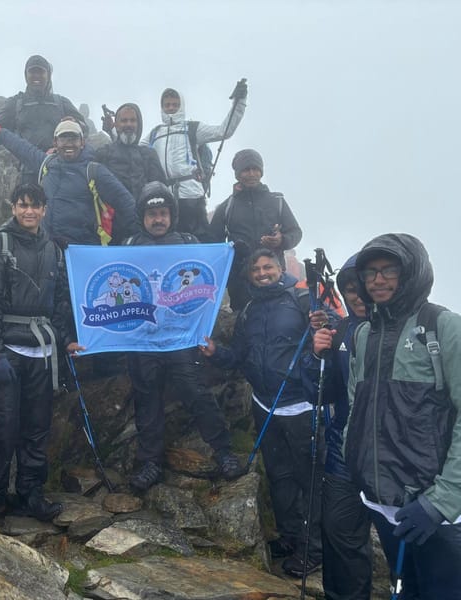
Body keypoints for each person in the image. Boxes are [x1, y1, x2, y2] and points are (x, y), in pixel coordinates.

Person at [344, 233, 461, 600]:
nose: (377, 280)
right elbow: (355, 405)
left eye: (389, 270)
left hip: (434, 512)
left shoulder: (446, 326)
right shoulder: (364, 333)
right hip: (380, 505)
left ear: (412, 272)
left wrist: (441, 502)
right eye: (370, 273)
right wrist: (358, 469)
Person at [200, 249, 336, 578]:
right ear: (249, 275)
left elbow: (336, 330)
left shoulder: (304, 300)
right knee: (280, 477)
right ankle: (291, 538)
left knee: (310, 479)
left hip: (303, 406)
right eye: (256, 269)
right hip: (265, 406)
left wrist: (325, 322)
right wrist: (216, 353)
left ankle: (314, 548)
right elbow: (240, 358)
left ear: (280, 268)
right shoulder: (248, 310)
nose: (262, 273)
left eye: (268, 267)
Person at [0, 182, 82, 543]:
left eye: (36, 205)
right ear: (13, 207)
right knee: (1, 433)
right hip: (8, 355)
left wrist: (65, 341)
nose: (29, 211)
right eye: (22, 205)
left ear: (45, 209)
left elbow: (60, 304)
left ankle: (30, 494)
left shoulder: (53, 250)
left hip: (43, 356)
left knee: (36, 430)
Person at [123, 182, 246, 492]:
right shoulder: (127, 244)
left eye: (163, 212)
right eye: (152, 213)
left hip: (181, 337)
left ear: (172, 215)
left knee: (194, 390)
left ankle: (223, 452)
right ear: (143, 216)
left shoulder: (191, 242)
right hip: (143, 338)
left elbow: (212, 277)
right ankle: (150, 462)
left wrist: (236, 256)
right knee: (146, 398)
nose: (158, 219)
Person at [309, 255, 372, 599]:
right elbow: (322, 393)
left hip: (394, 457)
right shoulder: (342, 330)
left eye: (361, 288)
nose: (358, 296)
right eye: (350, 290)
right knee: (337, 536)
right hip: (342, 453)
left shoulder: (408, 330)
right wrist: (316, 356)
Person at [0, 116, 137, 246]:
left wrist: (138, 239)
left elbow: (127, 204)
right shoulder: (47, 163)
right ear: (55, 143)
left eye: (73, 138)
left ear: (82, 142)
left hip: (82, 251)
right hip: (47, 248)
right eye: (63, 138)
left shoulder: (95, 171)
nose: (68, 143)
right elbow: (22, 148)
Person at [144, 83, 247, 240]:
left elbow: (223, 131)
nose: (171, 108)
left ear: (182, 106)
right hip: (165, 196)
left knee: (198, 239)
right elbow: (134, 148)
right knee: (169, 241)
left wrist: (239, 102)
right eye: (167, 105)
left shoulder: (193, 128)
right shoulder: (154, 133)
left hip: (191, 195)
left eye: (175, 104)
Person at [0, 54, 86, 183]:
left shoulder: (61, 103)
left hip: (60, 169)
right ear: (25, 75)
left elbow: (83, 127)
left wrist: (74, 123)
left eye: (41, 71)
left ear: (48, 75)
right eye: (32, 71)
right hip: (28, 172)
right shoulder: (15, 103)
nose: (36, 75)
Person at [209, 149, 303, 310]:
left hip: (274, 277)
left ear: (261, 171)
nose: (252, 173)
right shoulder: (227, 207)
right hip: (241, 282)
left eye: (256, 169)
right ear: (237, 174)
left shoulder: (277, 201)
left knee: (279, 320)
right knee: (245, 326)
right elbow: (212, 243)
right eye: (246, 170)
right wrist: (233, 251)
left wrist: (281, 240)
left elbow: (296, 232)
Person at [94, 103, 167, 201]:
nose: (128, 124)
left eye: (132, 120)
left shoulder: (149, 155)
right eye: (124, 121)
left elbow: (161, 193)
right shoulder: (103, 154)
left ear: (138, 124)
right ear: (116, 125)